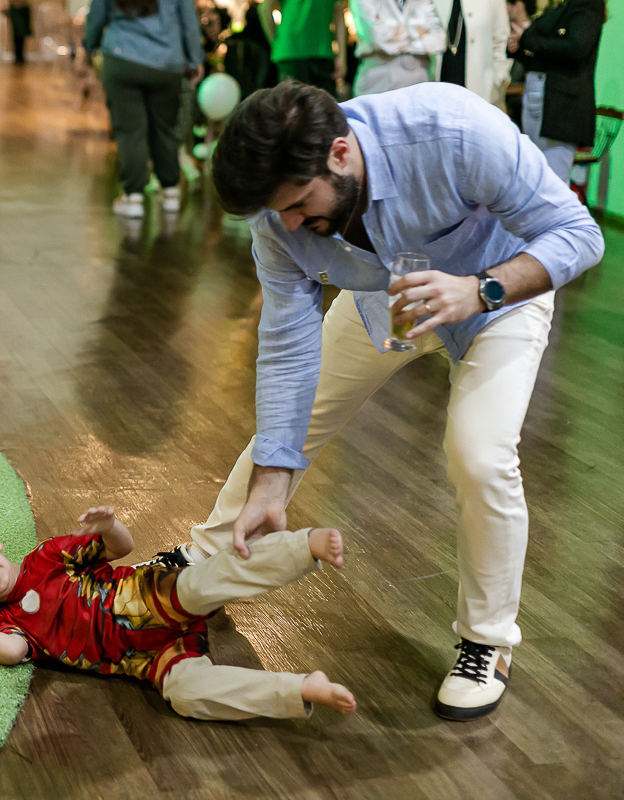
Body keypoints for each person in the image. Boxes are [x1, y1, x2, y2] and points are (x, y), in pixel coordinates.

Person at [181, 81, 603, 721]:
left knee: (480, 455)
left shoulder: (453, 130)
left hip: (500, 294)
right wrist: (273, 485)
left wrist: (480, 290)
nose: (291, 224)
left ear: (341, 153)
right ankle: (205, 561)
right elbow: (290, 349)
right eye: (278, 213)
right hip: (386, 301)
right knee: (293, 428)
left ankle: (486, 643)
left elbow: (578, 233)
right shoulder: (276, 217)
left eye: (298, 204)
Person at [0, 506, 357, 721]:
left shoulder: (45, 557)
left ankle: (303, 547)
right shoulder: (4, 622)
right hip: (148, 661)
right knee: (186, 694)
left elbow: (122, 547)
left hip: (153, 598)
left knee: (204, 582)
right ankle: (298, 690)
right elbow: (9, 652)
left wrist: (109, 525)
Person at [84, 0, 204, 218]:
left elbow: (96, 15)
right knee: (164, 128)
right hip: (167, 62)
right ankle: (170, 192)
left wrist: (90, 46)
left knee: (130, 131)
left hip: (122, 57)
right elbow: (189, 20)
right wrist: (194, 59)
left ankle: (133, 197)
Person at [507, 0, 606, 181]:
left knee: (553, 182)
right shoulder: (560, 6)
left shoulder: (590, 5)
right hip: (538, 96)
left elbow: (576, 48)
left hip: (560, 107)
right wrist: (519, 49)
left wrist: (528, 39)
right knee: (532, 179)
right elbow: (544, 53)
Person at [348, 0, 445, 95]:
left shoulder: (423, 1)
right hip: (379, 76)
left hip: (419, 75)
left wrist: (395, 32)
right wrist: (419, 32)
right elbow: (376, 36)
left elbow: (440, 41)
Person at [265, 0, 347, 95]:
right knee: (321, 106)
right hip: (300, 52)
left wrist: (276, 40)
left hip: (305, 51)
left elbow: (265, 7)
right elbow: (339, 13)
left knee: (295, 105)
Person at [5, 0, 32, 65]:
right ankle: (17, 56)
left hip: (23, 8)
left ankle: (20, 56)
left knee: (22, 34)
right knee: (16, 34)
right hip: (15, 8)